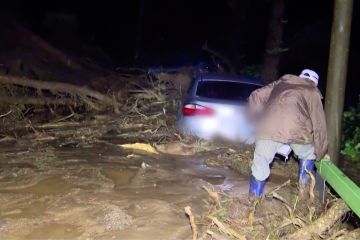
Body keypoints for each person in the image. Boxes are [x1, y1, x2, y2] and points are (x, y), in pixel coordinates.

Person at [246, 69, 328, 199]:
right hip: (296, 130)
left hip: (268, 127)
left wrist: (254, 120)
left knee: (260, 165)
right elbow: (319, 124)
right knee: (308, 154)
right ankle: (303, 193)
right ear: (315, 83)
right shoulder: (312, 91)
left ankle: (253, 203)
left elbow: (256, 95)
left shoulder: (280, 83)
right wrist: (321, 151)